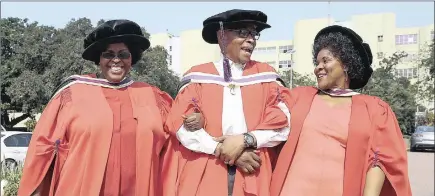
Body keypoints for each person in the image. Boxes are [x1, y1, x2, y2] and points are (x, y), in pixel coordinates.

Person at [18, 19, 177, 196]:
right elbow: (43, 149)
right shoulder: (72, 94)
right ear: (98, 59)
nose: (116, 60)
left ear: (132, 58)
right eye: (108, 54)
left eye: (123, 54)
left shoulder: (153, 96)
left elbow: (176, 143)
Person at [269, 25, 412, 196]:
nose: (318, 67)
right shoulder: (299, 97)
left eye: (325, 60)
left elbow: (379, 160)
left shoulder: (374, 109)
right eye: (317, 62)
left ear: (346, 64)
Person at [165, 9, 291, 196]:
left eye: (254, 33)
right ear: (222, 35)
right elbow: (179, 126)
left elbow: (284, 122)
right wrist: (224, 151)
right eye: (243, 32)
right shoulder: (198, 77)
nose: (251, 39)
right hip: (206, 169)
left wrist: (246, 140)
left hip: (253, 168)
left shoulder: (267, 77)